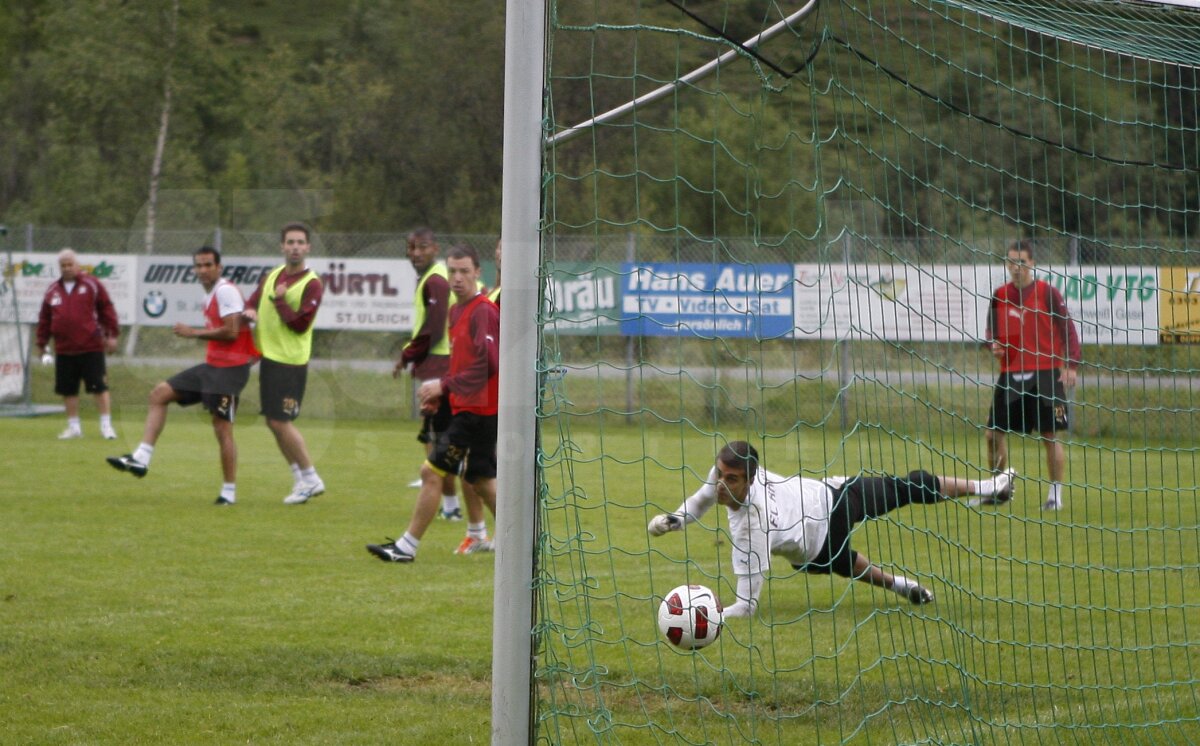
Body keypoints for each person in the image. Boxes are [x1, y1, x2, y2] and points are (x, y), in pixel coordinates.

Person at [647, 441, 1017, 617]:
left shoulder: (750, 523)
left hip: (832, 504)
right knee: (858, 553)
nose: (721, 485)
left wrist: (708, 616)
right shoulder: (741, 513)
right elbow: (702, 499)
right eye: (720, 475)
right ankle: (901, 584)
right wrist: (677, 519)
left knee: (903, 492)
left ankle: (990, 487)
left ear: (751, 478)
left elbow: (746, 606)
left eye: (731, 479)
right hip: (823, 531)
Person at [368, 244, 500, 562]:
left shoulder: (483, 310)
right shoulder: (456, 311)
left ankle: (406, 547)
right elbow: (462, 364)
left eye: (464, 271)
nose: (457, 278)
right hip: (467, 407)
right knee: (480, 479)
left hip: (479, 413)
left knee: (431, 471)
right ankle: (522, 540)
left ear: (477, 272)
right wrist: (442, 397)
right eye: (452, 271)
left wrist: (442, 385)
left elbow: (489, 363)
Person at [106, 247, 259, 506]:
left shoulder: (225, 291)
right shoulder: (208, 295)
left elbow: (232, 332)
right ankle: (141, 458)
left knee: (222, 428)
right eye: (198, 265)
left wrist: (194, 333)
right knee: (159, 394)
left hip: (230, 370)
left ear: (219, 267)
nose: (202, 270)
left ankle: (229, 493)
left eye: (208, 265)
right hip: (213, 366)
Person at [980, 239, 1080, 511]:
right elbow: (990, 331)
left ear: (1032, 264)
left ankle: (1055, 496)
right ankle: (998, 489)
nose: (1017, 267)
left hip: (1046, 375)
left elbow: (1068, 329)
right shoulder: (1000, 295)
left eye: (1022, 262)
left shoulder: (1048, 293)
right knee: (992, 434)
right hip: (1011, 374)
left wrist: (1071, 364)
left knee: (1050, 435)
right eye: (1012, 262)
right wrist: (993, 344)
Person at [243, 222, 326, 505]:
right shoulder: (273, 275)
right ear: (282, 246)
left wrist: (280, 301)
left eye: (300, 242)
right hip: (270, 358)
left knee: (281, 421)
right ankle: (300, 479)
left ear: (308, 247)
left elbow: (300, 324)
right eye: (290, 242)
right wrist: (250, 311)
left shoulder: (312, 283)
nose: (295, 247)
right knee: (273, 421)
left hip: (290, 362)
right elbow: (253, 301)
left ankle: (311, 477)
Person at [394, 228, 462, 521]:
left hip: (440, 365)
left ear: (435, 249)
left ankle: (454, 506)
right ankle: (450, 505)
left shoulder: (436, 279)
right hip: (438, 364)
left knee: (442, 438)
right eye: (412, 247)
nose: (416, 252)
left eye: (423, 247)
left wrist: (407, 354)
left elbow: (434, 328)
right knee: (435, 435)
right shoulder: (431, 278)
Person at [35, 248, 120, 440]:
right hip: (64, 349)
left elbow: (107, 309)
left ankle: (106, 426)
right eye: (63, 265)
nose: (67, 268)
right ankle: (74, 428)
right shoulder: (52, 290)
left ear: (77, 265)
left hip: (91, 346)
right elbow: (45, 319)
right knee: (68, 390)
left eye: (70, 264)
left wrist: (112, 335)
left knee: (99, 387)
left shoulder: (92, 284)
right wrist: (42, 343)